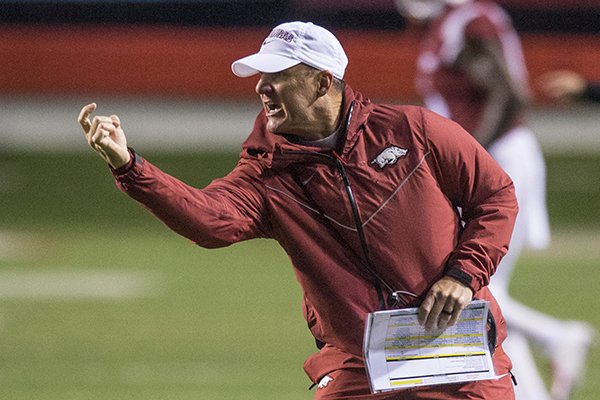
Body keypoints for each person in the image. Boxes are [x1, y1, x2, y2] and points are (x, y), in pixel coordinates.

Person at [79, 21, 519, 399]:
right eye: (259, 75)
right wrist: (129, 166)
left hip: (456, 353)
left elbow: (495, 196)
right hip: (360, 366)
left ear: (323, 82)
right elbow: (209, 220)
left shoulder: (415, 131)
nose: (260, 87)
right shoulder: (266, 174)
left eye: (276, 75)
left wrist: (463, 275)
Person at [394, 1, 596, 400]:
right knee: (481, 289)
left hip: (497, 159)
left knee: (474, 284)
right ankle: (541, 371)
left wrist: (469, 158)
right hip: (488, 158)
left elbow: (508, 93)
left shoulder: (471, 21)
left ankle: (558, 338)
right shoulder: (444, 25)